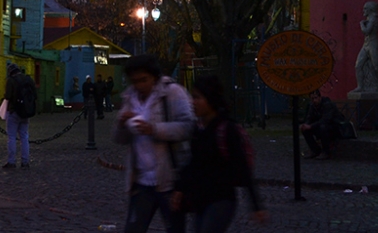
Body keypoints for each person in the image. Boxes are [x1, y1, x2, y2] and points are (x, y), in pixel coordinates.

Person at [173, 75, 268, 233]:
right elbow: (194, 162)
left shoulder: (226, 129)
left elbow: (243, 168)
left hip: (221, 200)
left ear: (211, 99)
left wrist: (256, 206)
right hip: (200, 200)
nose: (192, 102)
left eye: (197, 97)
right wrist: (180, 188)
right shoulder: (199, 128)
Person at [113, 54, 195, 233]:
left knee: (175, 228)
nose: (140, 86)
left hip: (169, 179)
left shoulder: (172, 93)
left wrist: (154, 129)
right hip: (141, 181)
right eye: (135, 81)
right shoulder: (130, 97)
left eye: (144, 80)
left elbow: (189, 127)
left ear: (155, 77)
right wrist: (121, 125)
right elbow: (119, 139)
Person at [2, 63, 32, 168]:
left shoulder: (11, 81)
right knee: (24, 136)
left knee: (12, 137)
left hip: (14, 111)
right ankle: (25, 161)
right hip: (26, 112)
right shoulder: (27, 79)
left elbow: (7, 96)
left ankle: (11, 161)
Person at [299, 90, 339, 159]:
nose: (314, 100)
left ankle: (326, 152)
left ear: (320, 97)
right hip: (320, 126)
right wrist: (305, 125)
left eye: (315, 98)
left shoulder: (327, 105)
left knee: (323, 128)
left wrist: (310, 126)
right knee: (305, 130)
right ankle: (315, 150)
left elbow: (326, 119)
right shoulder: (312, 106)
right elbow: (309, 117)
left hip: (334, 127)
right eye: (312, 98)